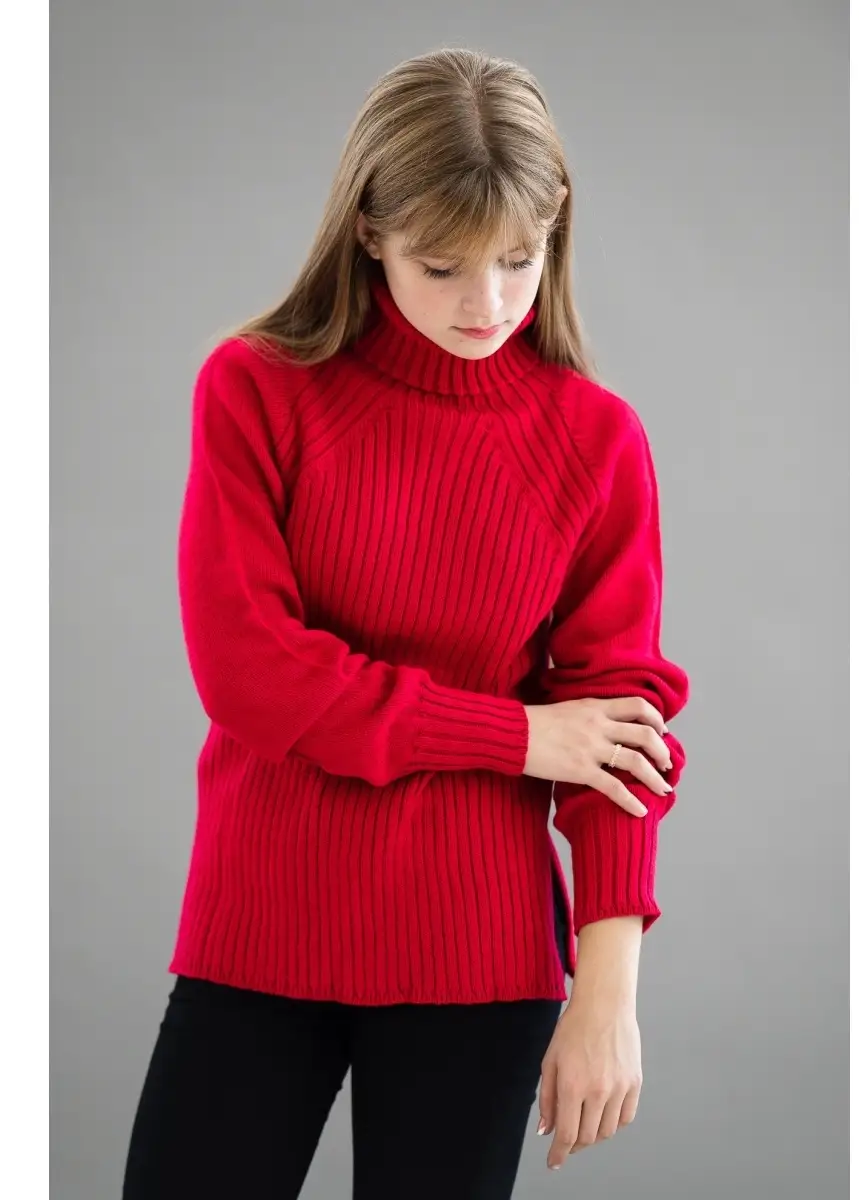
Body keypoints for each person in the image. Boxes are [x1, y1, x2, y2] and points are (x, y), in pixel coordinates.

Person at [121, 46, 689, 1200]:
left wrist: (607, 997)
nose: (489, 304)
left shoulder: (596, 440)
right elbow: (251, 672)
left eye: (519, 260)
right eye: (443, 265)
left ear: (556, 229)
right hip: (261, 929)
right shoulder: (257, 389)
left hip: (482, 960)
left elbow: (620, 737)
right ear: (369, 232)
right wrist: (517, 736)